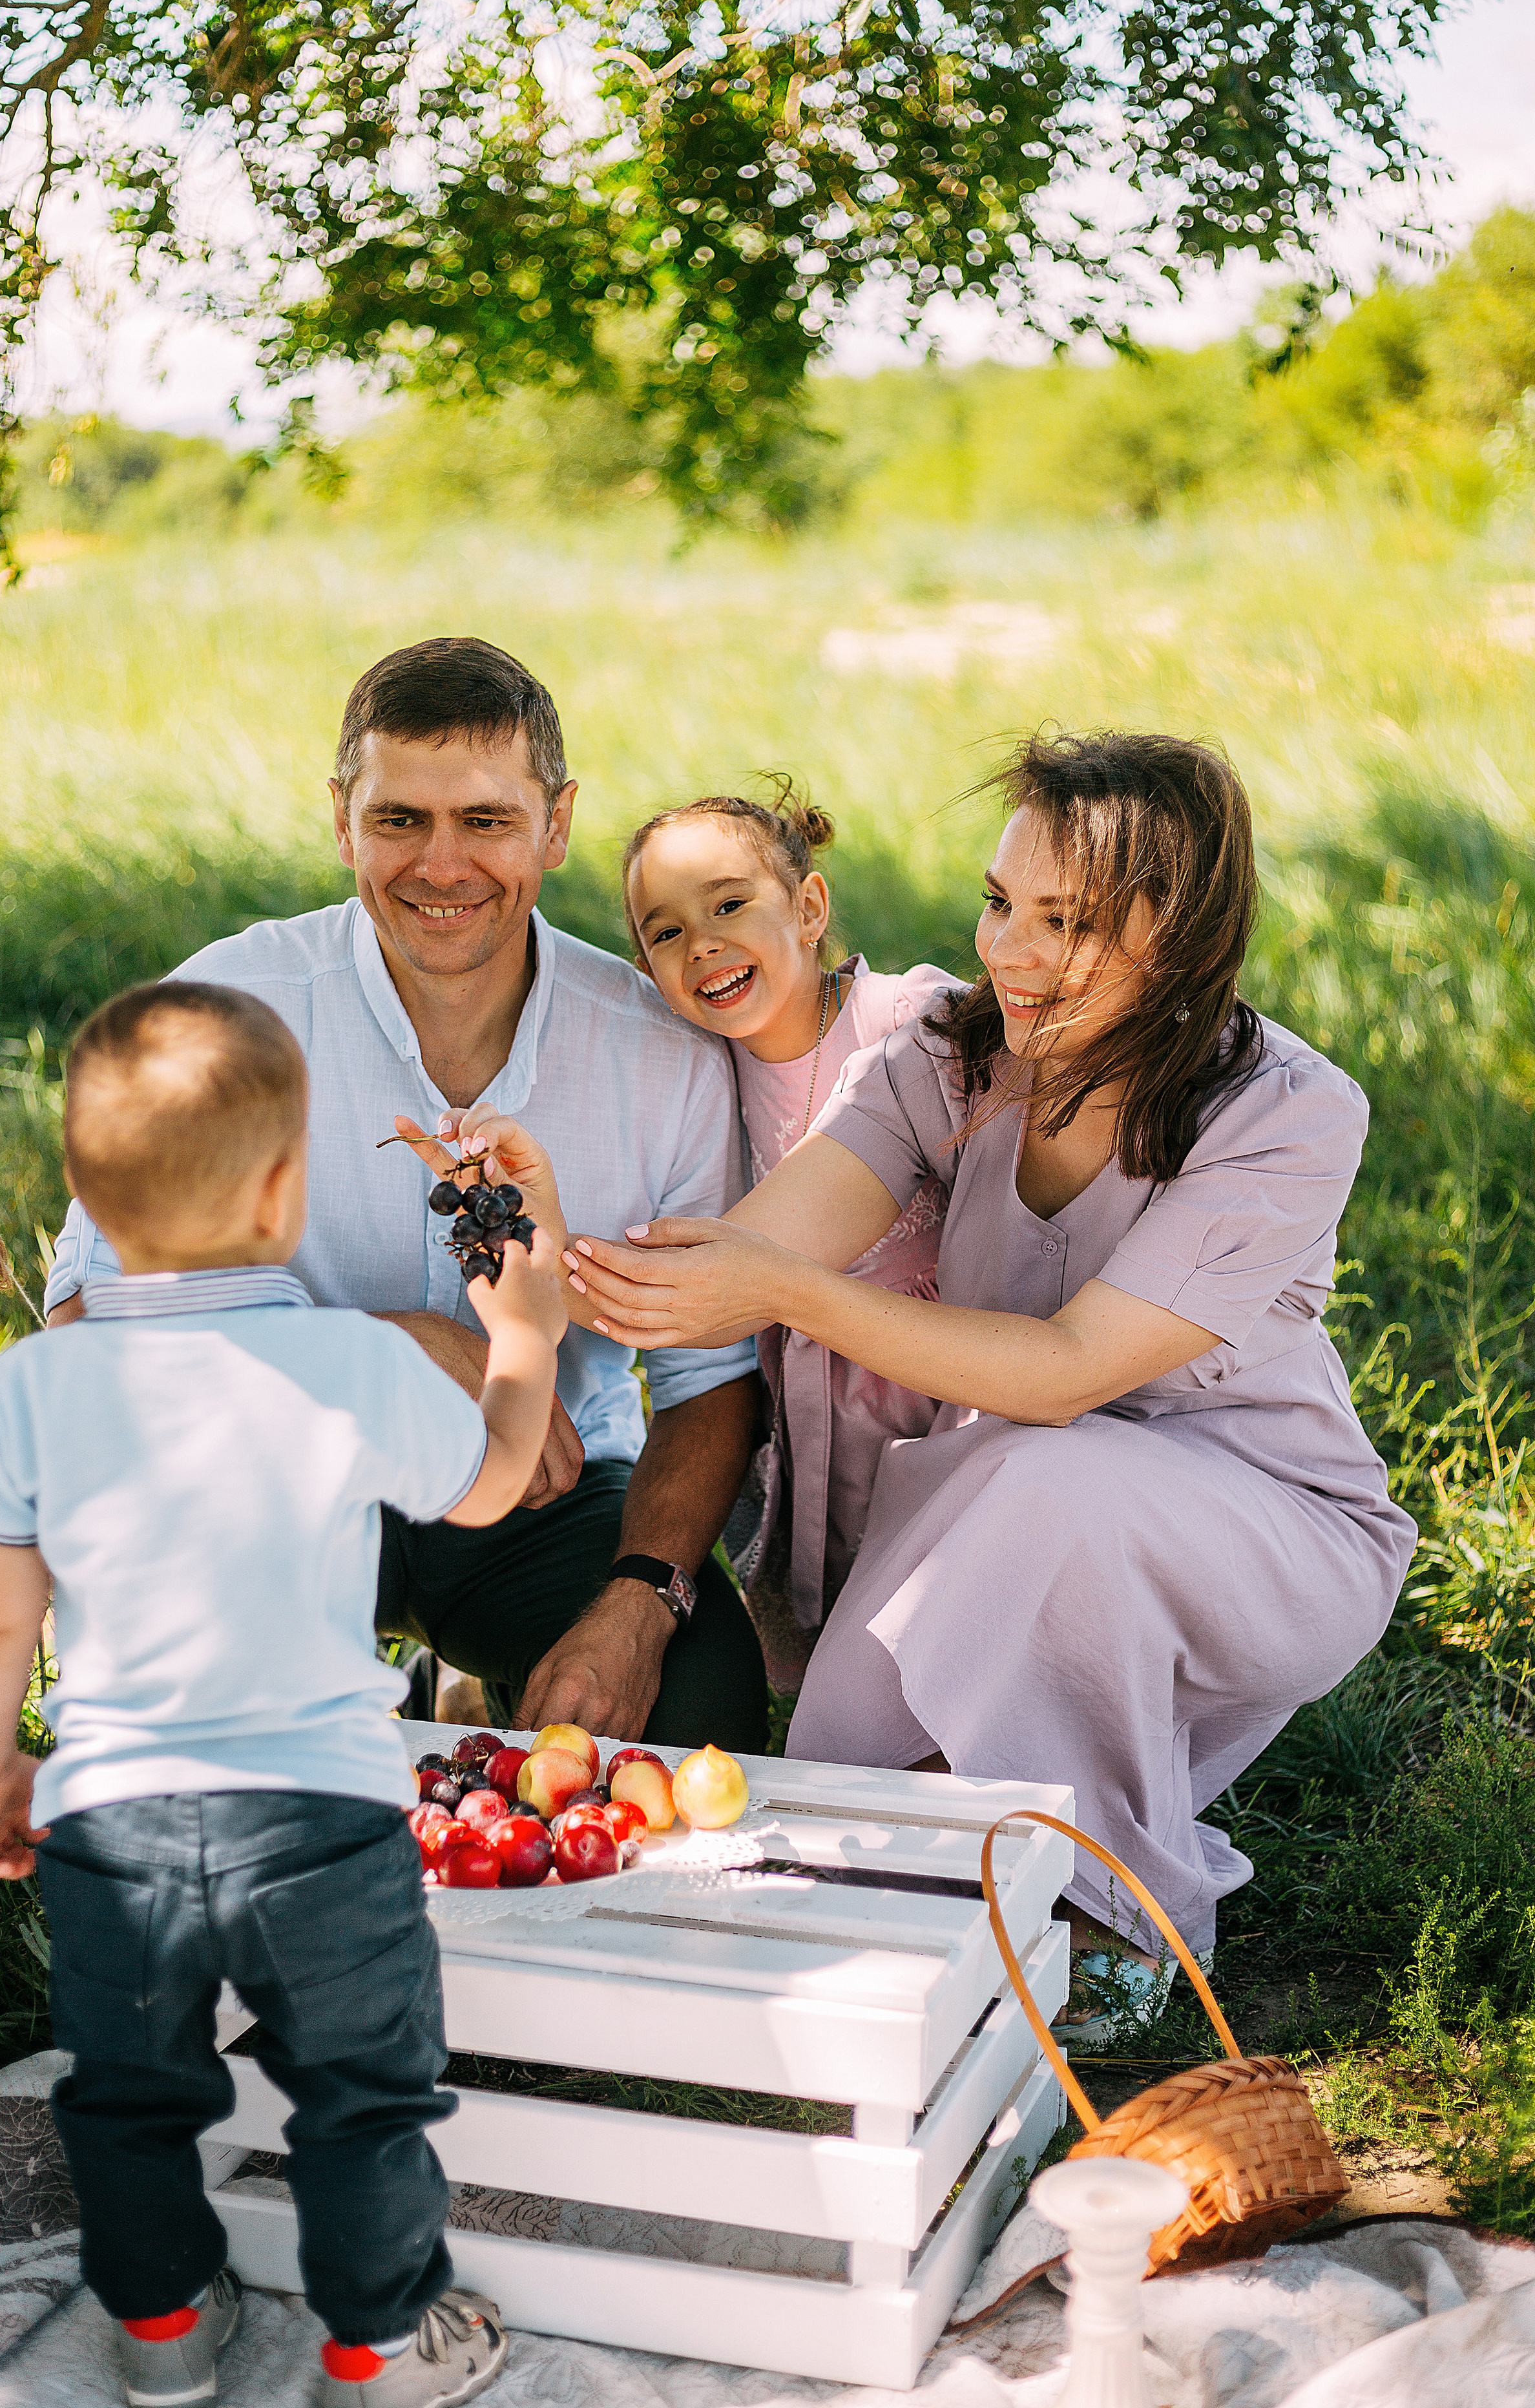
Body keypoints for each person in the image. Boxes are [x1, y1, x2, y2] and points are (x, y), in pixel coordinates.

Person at [556, 731, 1420, 1969]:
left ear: (1172, 933)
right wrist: (554, 1252)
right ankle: (916, 1912)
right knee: (843, 1778)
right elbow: (744, 1254)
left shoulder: (1289, 1111)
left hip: (1271, 1528)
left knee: (1049, 1481)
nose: (1005, 953)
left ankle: (1131, 1922)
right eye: (998, 902)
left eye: (1060, 922)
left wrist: (796, 1293)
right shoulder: (945, 1060)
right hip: (995, 1499)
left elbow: (1070, 1367)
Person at [0, 981, 565, 2408]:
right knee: (363, 2096)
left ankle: (160, 2339)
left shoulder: (35, 1385)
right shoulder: (347, 1365)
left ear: (87, 1198)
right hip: (323, 1826)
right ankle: (377, 2342)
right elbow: (488, 1485)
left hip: (116, 1824)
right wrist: (522, 1328)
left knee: (128, 2098)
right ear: (284, 1193)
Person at [43, 638, 768, 1755]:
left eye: (485, 821)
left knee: (695, 1701)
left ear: (556, 824)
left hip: (545, 1494)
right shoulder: (229, 1005)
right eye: (399, 821)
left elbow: (710, 1383)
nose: (442, 866)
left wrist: (640, 1603)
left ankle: (482, 1698)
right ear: (343, 821)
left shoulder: (662, 1054)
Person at [620, 785, 959, 1689]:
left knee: (934, 1624)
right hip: (787, 1408)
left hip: (930, 1387)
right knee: (808, 1648)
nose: (705, 945)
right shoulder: (692, 1077)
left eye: (731, 905)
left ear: (809, 909)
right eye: (666, 932)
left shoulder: (907, 1028)